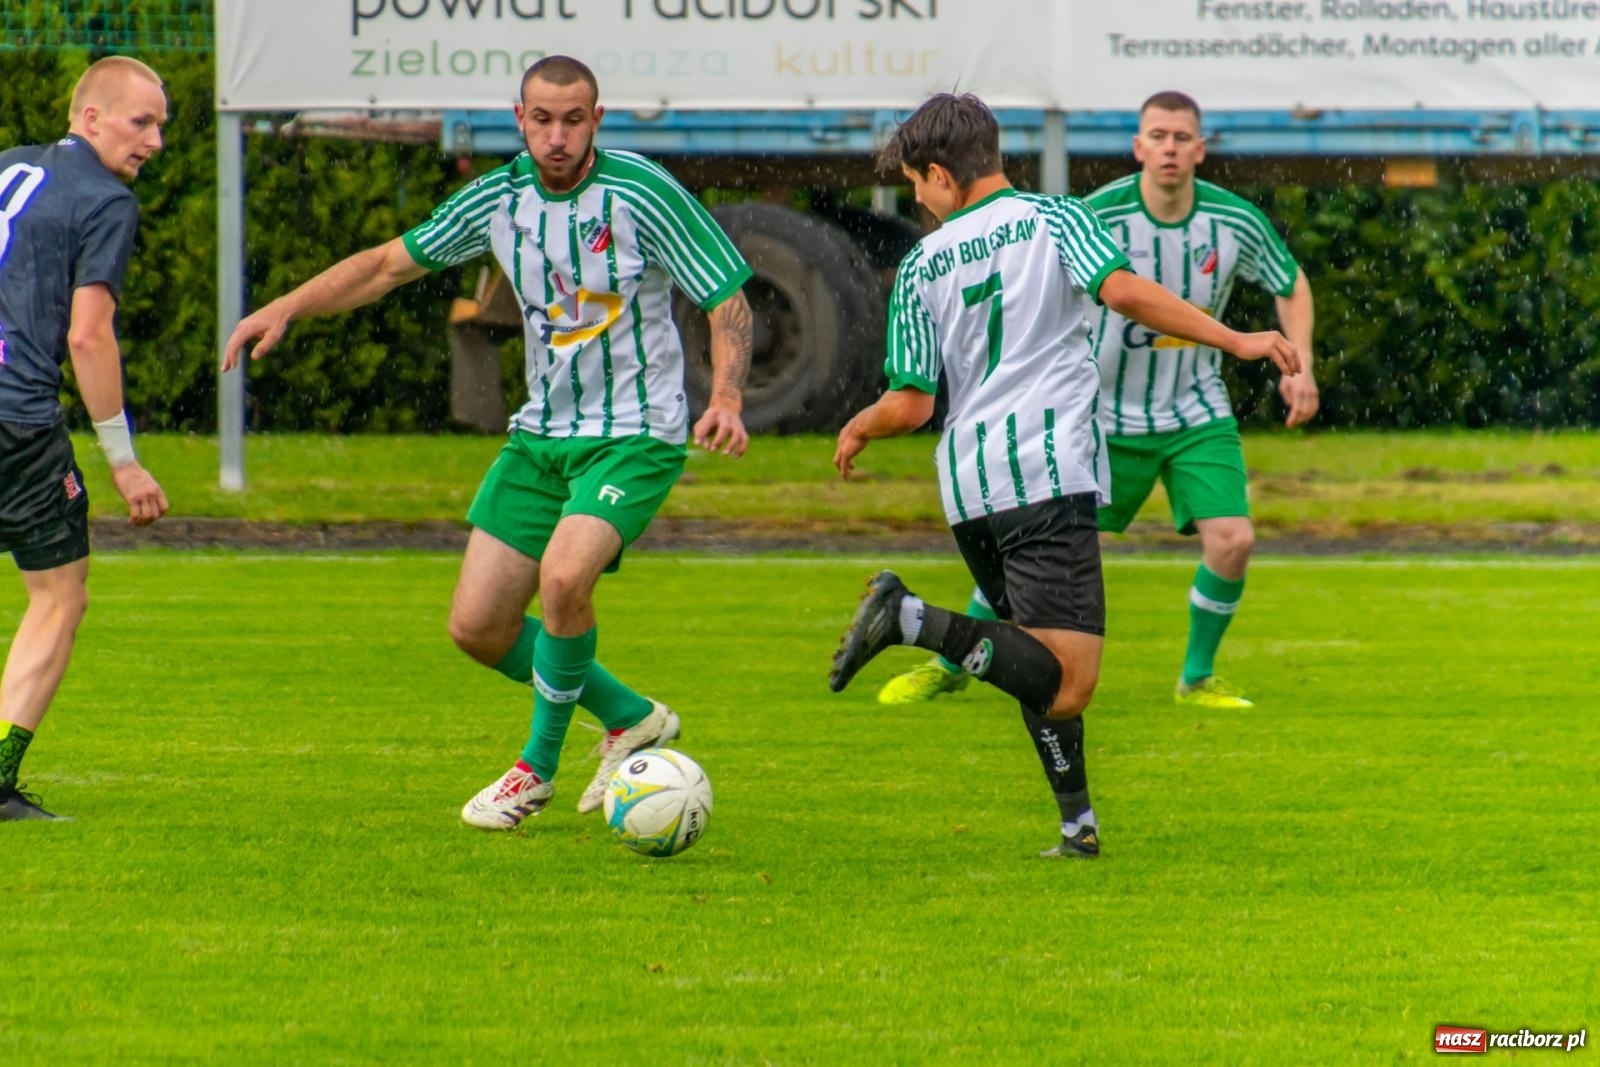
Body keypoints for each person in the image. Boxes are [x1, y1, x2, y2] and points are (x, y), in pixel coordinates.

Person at [223, 56, 754, 831]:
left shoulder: (641, 190)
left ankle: (534, 770)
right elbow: (384, 267)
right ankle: (630, 716)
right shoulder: (497, 200)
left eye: (575, 120)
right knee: (478, 627)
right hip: (541, 436)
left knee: (566, 578)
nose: (558, 136)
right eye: (543, 120)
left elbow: (726, 296)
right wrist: (286, 307)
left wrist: (729, 397)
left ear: (597, 121)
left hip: (635, 434)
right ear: (520, 119)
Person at [827, 93, 1297, 858]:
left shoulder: (921, 263)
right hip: (1044, 472)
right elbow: (1125, 294)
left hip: (968, 488)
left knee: (1034, 657)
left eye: (915, 183)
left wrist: (860, 422)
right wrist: (1234, 338)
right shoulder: (1057, 218)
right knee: (1065, 680)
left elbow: (910, 405)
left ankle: (1077, 827)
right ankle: (907, 618)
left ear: (943, 175)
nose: (918, 198)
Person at [878, 89, 1317, 711]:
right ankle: (949, 662)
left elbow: (1290, 280)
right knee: (1025, 554)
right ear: (1137, 147)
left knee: (1234, 539)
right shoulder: (1093, 211)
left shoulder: (1235, 220)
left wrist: (1301, 366)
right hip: (1102, 416)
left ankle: (1195, 678)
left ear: (1200, 148)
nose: (1169, 147)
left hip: (1195, 410)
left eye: (1181, 137)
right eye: (1157, 136)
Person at [0, 57, 171, 822]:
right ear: (90, 118)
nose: (157, 141)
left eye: (162, 124)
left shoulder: (8, 167)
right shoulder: (105, 198)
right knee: (59, 597)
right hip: (17, 423)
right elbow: (90, 337)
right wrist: (125, 462)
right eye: (143, 122)